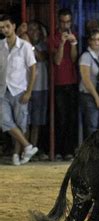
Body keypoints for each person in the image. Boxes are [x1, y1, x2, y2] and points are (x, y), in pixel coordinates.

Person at [0, 14, 38, 165]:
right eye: (2, 27)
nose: (5, 30)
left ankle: (17, 154)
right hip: (3, 89)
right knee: (5, 121)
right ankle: (28, 146)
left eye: (7, 26)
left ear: (14, 26)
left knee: (20, 122)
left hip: (19, 89)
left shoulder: (24, 46)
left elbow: (33, 69)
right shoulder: (0, 46)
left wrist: (29, 91)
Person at [51, 8, 78, 161]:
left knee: (71, 118)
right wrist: (62, 42)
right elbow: (57, 61)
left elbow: (74, 59)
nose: (65, 25)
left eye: (67, 21)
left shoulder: (74, 35)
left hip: (73, 81)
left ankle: (68, 150)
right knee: (60, 118)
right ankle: (59, 150)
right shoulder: (54, 36)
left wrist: (73, 43)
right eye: (62, 21)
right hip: (58, 83)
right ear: (58, 21)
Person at [78, 29, 99, 138]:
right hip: (89, 94)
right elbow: (86, 80)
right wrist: (97, 98)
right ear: (89, 41)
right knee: (92, 125)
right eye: (94, 39)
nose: (96, 42)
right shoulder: (86, 56)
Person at [26, 21, 49, 160]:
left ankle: (33, 149)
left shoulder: (43, 45)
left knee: (36, 122)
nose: (34, 32)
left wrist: (31, 46)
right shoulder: (22, 46)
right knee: (25, 121)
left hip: (41, 87)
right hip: (26, 87)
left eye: (36, 29)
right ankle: (24, 148)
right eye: (31, 29)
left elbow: (42, 57)